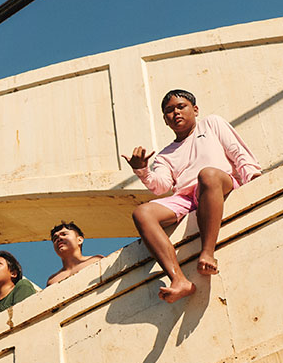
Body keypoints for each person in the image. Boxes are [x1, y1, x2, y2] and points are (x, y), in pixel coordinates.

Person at [123, 90, 261, 303]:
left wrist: (252, 179)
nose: (176, 112)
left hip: (218, 183)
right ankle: (179, 280)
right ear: (165, 120)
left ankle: (207, 252)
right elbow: (161, 186)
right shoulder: (165, 155)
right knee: (142, 212)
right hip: (187, 198)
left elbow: (237, 151)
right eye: (169, 110)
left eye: (181, 106)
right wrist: (142, 170)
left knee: (208, 174)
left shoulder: (211, 124)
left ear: (195, 110)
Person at [46, 222, 106, 286]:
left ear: (79, 240)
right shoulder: (53, 280)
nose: (59, 239)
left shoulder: (96, 260)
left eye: (64, 234)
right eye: (55, 239)